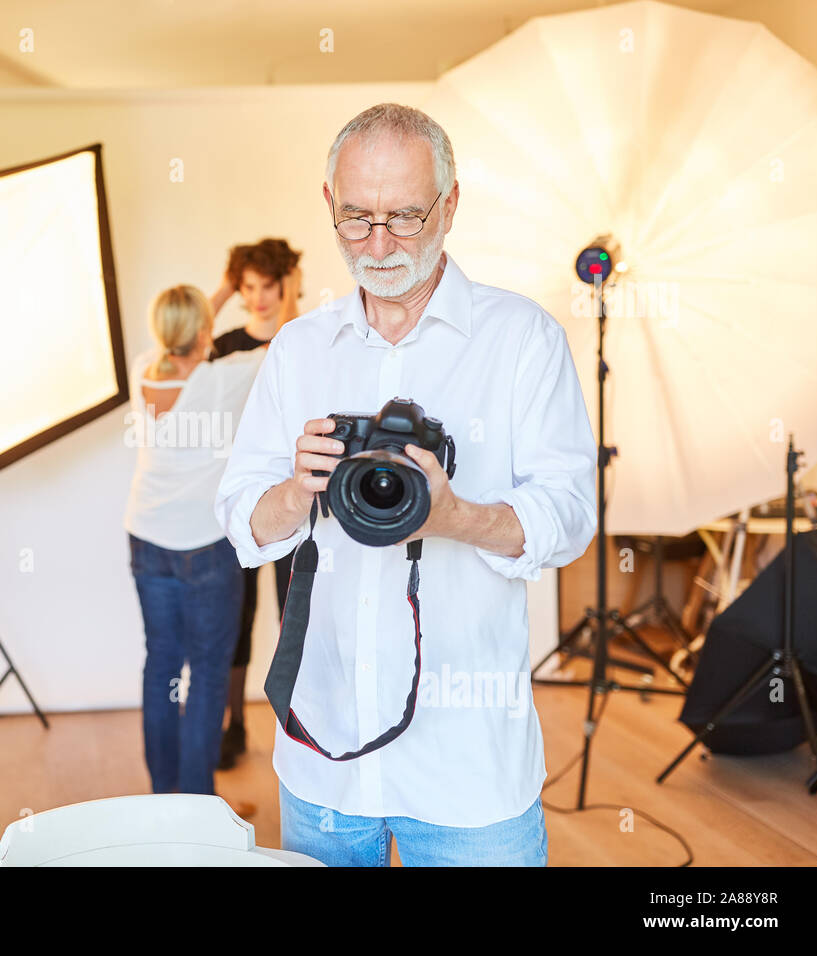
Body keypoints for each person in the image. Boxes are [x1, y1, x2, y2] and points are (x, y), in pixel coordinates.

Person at [214, 103, 597, 866]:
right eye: (355, 218)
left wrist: (456, 517)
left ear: (451, 205)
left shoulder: (522, 340)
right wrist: (299, 490)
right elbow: (239, 520)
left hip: (470, 774)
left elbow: (572, 513)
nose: (380, 244)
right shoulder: (298, 349)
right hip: (323, 766)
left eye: (406, 216)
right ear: (328, 204)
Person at [124, 284, 265, 798]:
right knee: (207, 670)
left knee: (161, 660)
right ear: (204, 331)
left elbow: (183, 332)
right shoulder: (222, 379)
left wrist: (223, 290)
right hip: (206, 545)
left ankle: (165, 799)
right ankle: (198, 806)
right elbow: (279, 345)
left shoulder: (143, 370)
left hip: (145, 538)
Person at [207, 238, 303, 770]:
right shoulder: (223, 345)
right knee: (236, 619)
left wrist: (291, 299)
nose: (259, 298)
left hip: (299, 501)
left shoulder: (302, 338)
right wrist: (225, 285)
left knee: (297, 613)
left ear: (286, 283)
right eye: (248, 288)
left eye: (269, 285)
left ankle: (298, 718)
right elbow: (184, 341)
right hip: (242, 501)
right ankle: (234, 725)